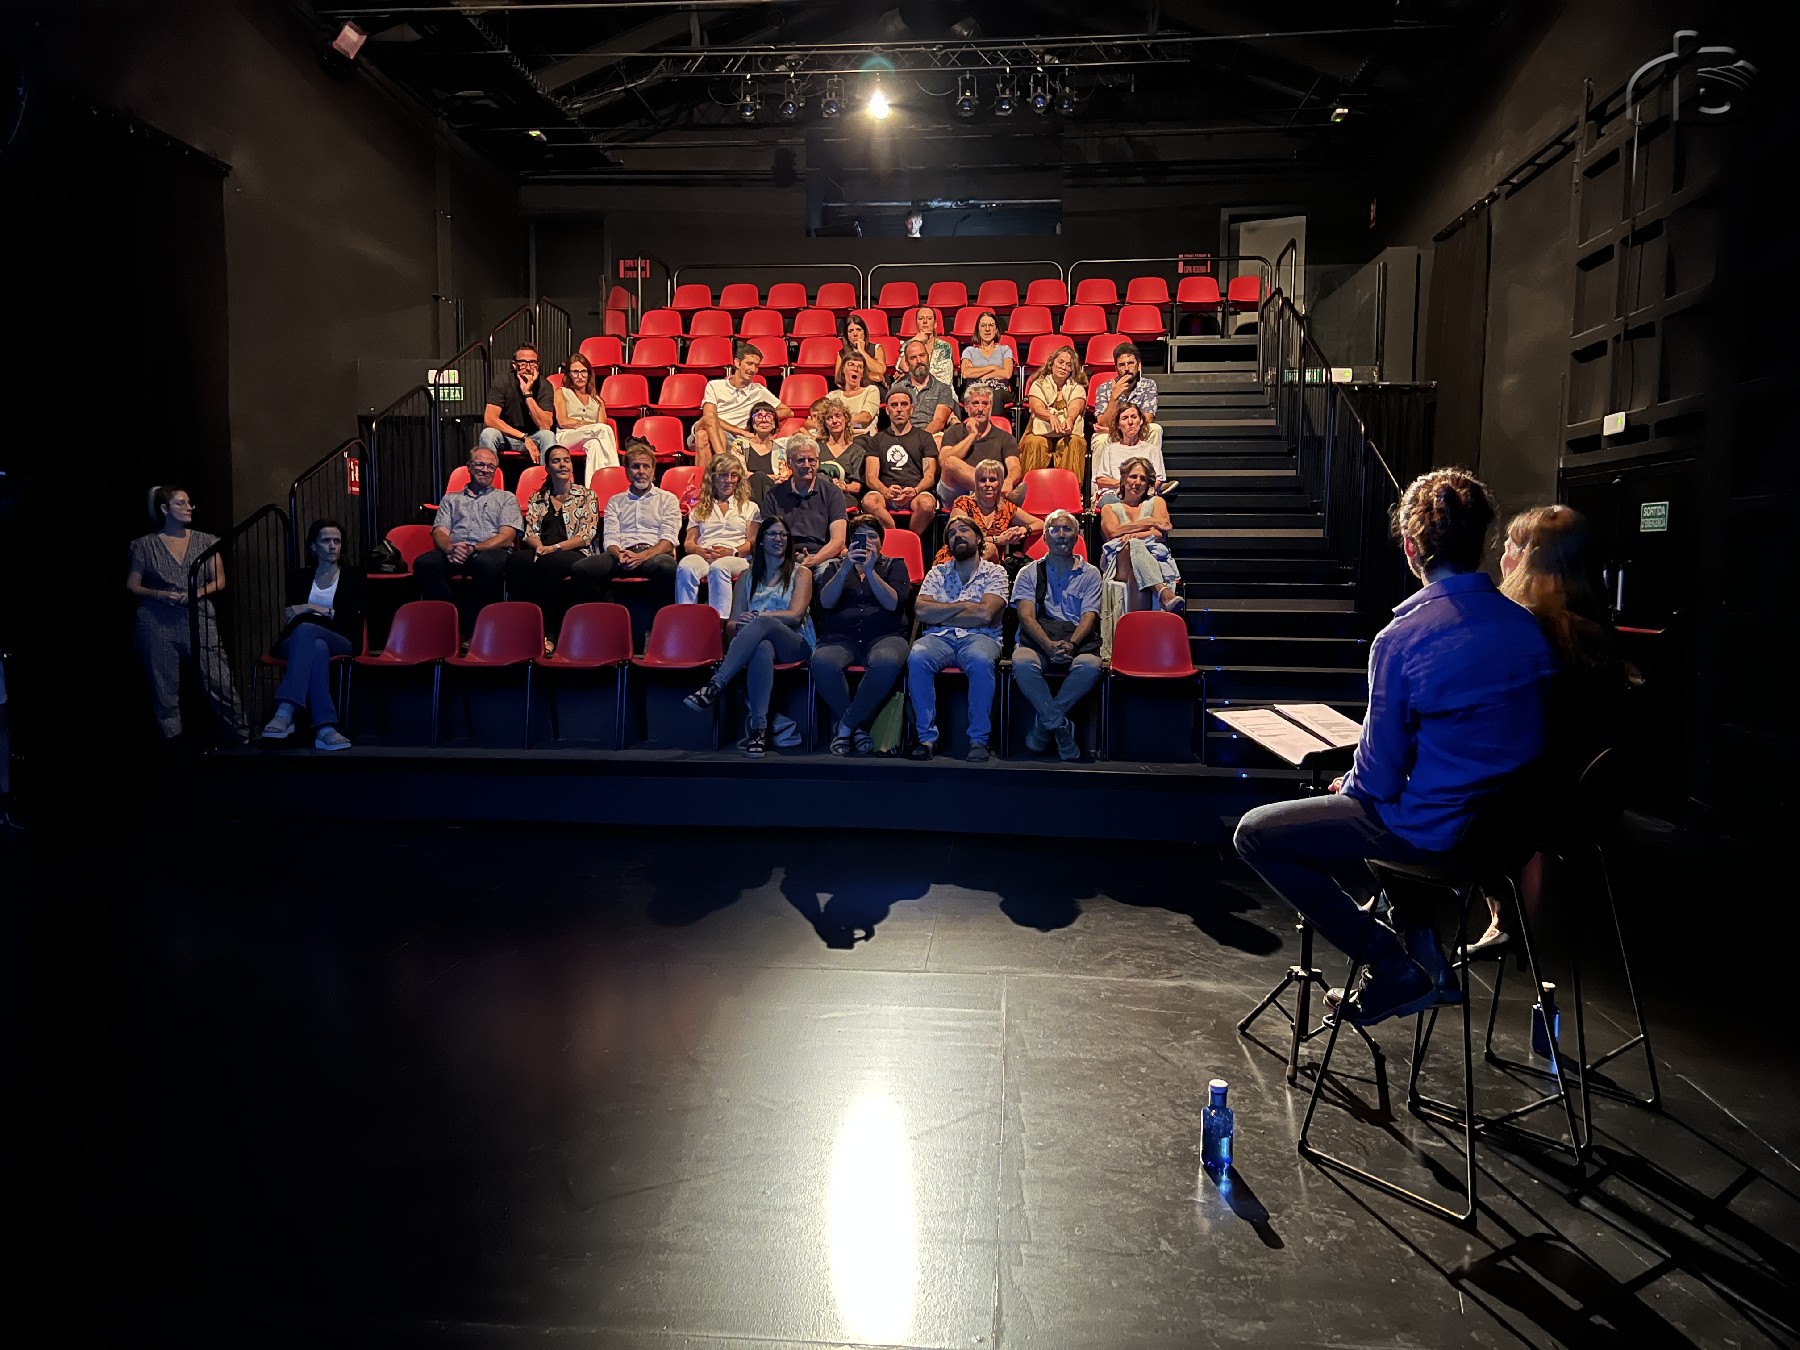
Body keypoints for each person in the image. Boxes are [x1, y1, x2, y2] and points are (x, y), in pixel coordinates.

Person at [1233, 468, 1558, 1026]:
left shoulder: (1402, 638)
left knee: (1256, 832)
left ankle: (1391, 963)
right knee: (1377, 805)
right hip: (1505, 836)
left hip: (1437, 835)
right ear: (1481, 541)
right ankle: (1421, 951)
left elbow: (1377, 781)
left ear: (1410, 547)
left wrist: (1350, 785)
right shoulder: (1529, 629)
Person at [1479, 503, 1633, 950]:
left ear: (1532, 560)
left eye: (1511, 547)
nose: (1502, 557)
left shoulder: (1527, 633)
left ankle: (1413, 926)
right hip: (1588, 806)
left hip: (1536, 804)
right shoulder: (1596, 631)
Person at [125, 485, 249, 743]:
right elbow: (133, 585)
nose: (188, 507)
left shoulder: (206, 542)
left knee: (219, 680)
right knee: (164, 687)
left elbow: (220, 581)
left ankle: (241, 734)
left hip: (198, 616)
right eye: (180, 503)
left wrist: (196, 592)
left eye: (189, 502)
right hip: (157, 620)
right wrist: (160, 594)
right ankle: (174, 744)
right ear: (164, 509)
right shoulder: (145, 545)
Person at [683, 518, 815, 758]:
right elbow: (731, 625)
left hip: (795, 643)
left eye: (783, 535)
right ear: (761, 540)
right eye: (772, 534)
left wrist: (757, 617)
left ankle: (715, 685)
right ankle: (759, 730)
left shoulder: (801, 573)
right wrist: (740, 624)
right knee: (762, 647)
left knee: (763, 623)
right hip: (761, 644)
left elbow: (795, 615)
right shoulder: (746, 576)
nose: (778, 539)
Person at [907, 516, 1009, 762]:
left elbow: (986, 615)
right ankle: (926, 739)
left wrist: (941, 613)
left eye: (964, 530)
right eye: (952, 534)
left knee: (980, 660)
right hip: (939, 638)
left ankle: (979, 740)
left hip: (981, 638)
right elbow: (921, 611)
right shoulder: (937, 573)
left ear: (979, 538)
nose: (958, 536)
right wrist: (964, 606)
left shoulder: (996, 572)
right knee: (918, 655)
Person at [262, 517, 366, 750]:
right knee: (316, 645)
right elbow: (292, 617)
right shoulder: (299, 577)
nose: (332, 546)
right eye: (326, 541)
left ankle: (285, 710)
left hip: (341, 638)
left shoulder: (354, 576)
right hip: (298, 640)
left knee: (308, 629)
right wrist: (324, 613)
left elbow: (352, 618)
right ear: (313, 546)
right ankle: (325, 728)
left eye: (337, 541)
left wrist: (311, 608)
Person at [811, 516, 912, 756]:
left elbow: (892, 603)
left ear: (881, 542)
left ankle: (845, 726)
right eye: (860, 537)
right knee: (822, 662)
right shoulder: (835, 567)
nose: (867, 542)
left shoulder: (895, 565)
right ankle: (857, 730)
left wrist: (870, 570)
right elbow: (826, 602)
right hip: (841, 638)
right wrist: (846, 567)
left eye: (872, 536)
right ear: (850, 543)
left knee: (887, 662)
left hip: (885, 636)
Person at [1011, 509, 1104, 761]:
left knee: (1091, 666)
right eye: (1054, 529)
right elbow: (1026, 617)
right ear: (1045, 537)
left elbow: (1089, 617)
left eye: (1067, 529)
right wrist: (1048, 645)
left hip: (1076, 640)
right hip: (1038, 640)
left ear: (1077, 536)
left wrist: (1072, 644)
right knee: (1022, 662)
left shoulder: (1091, 574)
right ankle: (1060, 725)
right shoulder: (1028, 572)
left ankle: (1045, 723)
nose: (1061, 534)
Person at [416, 446, 520, 637]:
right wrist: (450, 548)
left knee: (486, 564)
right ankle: (450, 622)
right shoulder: (451, 499)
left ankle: (476, 629)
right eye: (480, 464)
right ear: (469, 467)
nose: (485, 470)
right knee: (425, 563)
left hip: (489, 551)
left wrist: (474, 548)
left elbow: (507, 536)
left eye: (491, 466)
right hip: (455, 551)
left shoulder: (506, 498)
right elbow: (439, 531)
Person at [506, 444, 599, 647]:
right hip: (543, 550)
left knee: (549, 563)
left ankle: (551, 633)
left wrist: (554, 548)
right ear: (547, 468)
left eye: (566, 460)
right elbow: (530, 533)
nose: (562, 464)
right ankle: (519, 629)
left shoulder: (587, 495)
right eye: (556, 461)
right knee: (517, 561)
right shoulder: (537, 498)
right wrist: (539, 547)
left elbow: (586, 535)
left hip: (574, 551)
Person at [582, 440, 680, 603]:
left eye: (646, 466)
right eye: (635, 466)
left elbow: (668, 540)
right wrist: (619, 554)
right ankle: (606, 613)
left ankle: (660, 617)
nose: (641, 471)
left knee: (668, 567)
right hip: (622, 555)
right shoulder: (615, 501)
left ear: (653, 471)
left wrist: (641, 556)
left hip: (653, 555)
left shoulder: (668, 499)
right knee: (582, 569)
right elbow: (611, 538)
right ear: (627, 471)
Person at [677, 452, 761, 619]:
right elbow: (688, 543)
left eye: (733, 475)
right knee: (686, 566)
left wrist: (733, 552)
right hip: (705, 554)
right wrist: (699, 550)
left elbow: (752, 542)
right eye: (723, 475)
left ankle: (720, 622)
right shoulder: (700, 508)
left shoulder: (749, 507)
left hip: (736, 558)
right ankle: (685, 618)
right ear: (713, 478)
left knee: (719, 567)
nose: (728, 480)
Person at [1097, 457, 1185, 612]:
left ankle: (1137, 624)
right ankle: (1162, 592)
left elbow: (1159, 533)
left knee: (1135, 554)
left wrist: (1131, 535)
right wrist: (1150, 521)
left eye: (1143, 479)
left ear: (1148, 484)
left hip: (1153, 557)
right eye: (1133, 476)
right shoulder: (1109, 508)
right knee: (1133, 545)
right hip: (1120, 562)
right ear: (1124, 478)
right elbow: (1113, 533)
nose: (1137, 482)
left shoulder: (1157, 502)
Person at [692, 341, 791, 472]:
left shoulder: (758, 390)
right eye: (749, 363)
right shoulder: (715, 385)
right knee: (709, 418)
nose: (753, 370)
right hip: (717, 428)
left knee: (702, 436)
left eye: (756, 366)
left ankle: (706, 482)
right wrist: (739, 430)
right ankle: (725, 461)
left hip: (733, 438)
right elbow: (709, 416)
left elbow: (788, 411)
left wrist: (758, 417)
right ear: (737, 363)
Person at [860, 388, 939, 538]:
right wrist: (885, 491)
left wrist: (915, 490)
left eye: (904, 404)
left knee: (927, 504)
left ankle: (910, 539)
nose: (899, 409)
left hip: (914, 493)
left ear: (911, 409)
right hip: (885, 494)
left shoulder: (925, 437)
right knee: (869, 501)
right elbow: (871, 477)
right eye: (894, 405)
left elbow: (929, 476)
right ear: (887, 411)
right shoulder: (877, 439)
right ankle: (896, 537)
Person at [761, 436, 848, 572]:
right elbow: (768, 539)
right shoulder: (773, 495)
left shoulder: (833, 492)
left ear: (818, 462)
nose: (807, 465)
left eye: (811, 460)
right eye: (801, 460)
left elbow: (838, 540)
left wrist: (814, 560)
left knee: (827, 572)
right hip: (784, 558)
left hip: (822, 557)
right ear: (789, 463)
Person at [939, 460, 1041, 568]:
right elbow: (959, 537)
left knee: (991, 550)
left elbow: (1040, 523)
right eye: (983, 480)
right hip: (956, 556)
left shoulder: (1007, 508)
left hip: (990, 564)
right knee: (989, 548)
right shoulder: (963, 503)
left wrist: (1023, 530)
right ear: (976, 483)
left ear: (1000, 483)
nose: (987, 484)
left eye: (992, 480)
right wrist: (998, 540)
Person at [936, 384, 1022, 506]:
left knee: (997, 469)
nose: (980, 409)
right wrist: (972, 435)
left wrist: (1009, 480)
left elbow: (1015, 467)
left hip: (989, 493)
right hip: (956, 490)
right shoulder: (953, 431)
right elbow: (943, 461)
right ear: (966, 407)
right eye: (975, 403)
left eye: (985, 404)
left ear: (991, 407)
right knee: (950, 461)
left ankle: (984, 494)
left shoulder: (1005, 437)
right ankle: (996, 494)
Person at [1019, 344, 1090, 484]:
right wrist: (1050, 417)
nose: (1063, 367)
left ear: (1073, 369)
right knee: (1034, 443)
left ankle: (1069, 490)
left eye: (1068, 365)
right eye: (1061, 362)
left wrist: (1070, 419)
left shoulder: (1077, 387)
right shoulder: (1038, 384)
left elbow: (1076, 406)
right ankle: (1030, 489)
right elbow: (1036, 407)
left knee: (1075, 443)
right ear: (1051, 364)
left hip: (1068, 432)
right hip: (1040, 431)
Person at [480, 343, 557, 465]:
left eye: (532, 363)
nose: (528, 367)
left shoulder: (544, 385)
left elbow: (545, 425)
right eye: (523, 363)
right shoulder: (502, 381)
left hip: (534, 436)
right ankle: (488, 475)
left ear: (538, 365)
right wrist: (523, 437)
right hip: (507, 436)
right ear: (514, 365)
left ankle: (546, 476)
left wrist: (527, 393)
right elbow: (490, 419)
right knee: (488, 434)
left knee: (548, 435)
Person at [1090, 343, 1161, 462]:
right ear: (1116, 368)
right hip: (1113, 436)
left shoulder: (1149, 385)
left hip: (1138, 432)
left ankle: (1151, 472)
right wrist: (1114, 398)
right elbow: (1103, 424)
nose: (1127, 368)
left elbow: (1147, 419)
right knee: (1100, 440)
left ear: (1139, 365)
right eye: (1122, 365)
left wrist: (1116, 430)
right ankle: (1101, 475)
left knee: (1155, 429)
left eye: (1131, 363)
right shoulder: (1104, 388)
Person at [554, 350, 617, 481]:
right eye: (575, 372)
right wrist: (589, 425)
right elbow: (563, 421)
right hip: (567, 437)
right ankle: (615, 475)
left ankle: (594, 486)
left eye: (583, 372)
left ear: (589, 374)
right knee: (603, 429)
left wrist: (592, 427)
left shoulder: (597, 400)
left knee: (595, 445)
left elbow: (601, 428)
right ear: (569, 374)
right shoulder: (561, 392)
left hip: (589, 437)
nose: (580, 376)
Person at [1090, 403, 1172, 503]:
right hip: (1115, 497)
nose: (1130, 422)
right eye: (1124, 418)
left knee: (1157, 503)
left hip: (1143, 496)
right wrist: (1125, 484)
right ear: (1118, 425)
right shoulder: (1109, 450)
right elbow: (1101, 480)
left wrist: (1137, 489)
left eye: (1134, 417)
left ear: (1141, 421)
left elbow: (1158, 480)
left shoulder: (1152, 450)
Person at [895, 339, 958, 438]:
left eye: (922, 355)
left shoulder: (943, 389)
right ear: (907, 363)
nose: (919, 361)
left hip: (931, 436)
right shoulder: (898, 389)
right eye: (913, 358)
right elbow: (897, 420)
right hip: (904, 436)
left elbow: (939, 421)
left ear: (928, 357)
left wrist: (920, 438)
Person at [810, 397, 868, 499]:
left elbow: (857, 487)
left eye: (838, 416)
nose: (834, 421)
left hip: (844, 497)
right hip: (818, 496)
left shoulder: (857, 451)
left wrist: (843, 487)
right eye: (829, 418)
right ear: (825, 424)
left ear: (846, 419)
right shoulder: (817, 447)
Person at [735, 402, 788, 499]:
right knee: (759, 477)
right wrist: (768, 477)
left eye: (769, 416)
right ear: (752, 423)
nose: (764, 420)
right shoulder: (740, 445)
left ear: (774, 424)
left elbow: (783, 475)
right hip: (747, 492)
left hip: (773, 492)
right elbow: (740, 472)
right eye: (759, 416)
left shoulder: (780, 448)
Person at [959, 311, 1017, 400]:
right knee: (972, 397)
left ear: (996, 330)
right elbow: (966, 373)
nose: (987, 329)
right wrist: (993, 367)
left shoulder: (1005, 350)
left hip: (999, 389)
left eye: (991, 325)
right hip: (974, 390)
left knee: (995, 396)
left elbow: (1007, 374)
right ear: (978, 330)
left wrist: (977, 373)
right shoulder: (969, 351)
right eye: (983, 325)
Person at [835, 313, 888, 392]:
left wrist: (862, 352)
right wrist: (868, 376)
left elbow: (881, 370)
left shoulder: (877, 348)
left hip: (875, 389)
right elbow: (838, 380)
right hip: (852, 390)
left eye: (858, 330)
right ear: (847, 335)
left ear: (864, 332)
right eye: (851, 331)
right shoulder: (842, 354)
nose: (855, 334)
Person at [907, 306, 957, 385]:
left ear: (935, 324)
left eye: (929, 318)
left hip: (940, 389)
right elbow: (903, 367)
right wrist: (915, 341)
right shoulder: (909, 345)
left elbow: (944, 378)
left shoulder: (944, 347)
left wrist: (913, 373)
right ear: (916, 324)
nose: (925, 321)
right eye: (921, 318)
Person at [834, 351, 882, 432]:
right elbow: (816, 417)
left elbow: (866, 417)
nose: (855, 369)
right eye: (851, 365)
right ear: (843, 369)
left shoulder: (871, 390)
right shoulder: (834, 395)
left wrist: (837, 422)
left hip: (863, 436)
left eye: (860, 367)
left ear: (863, 373)